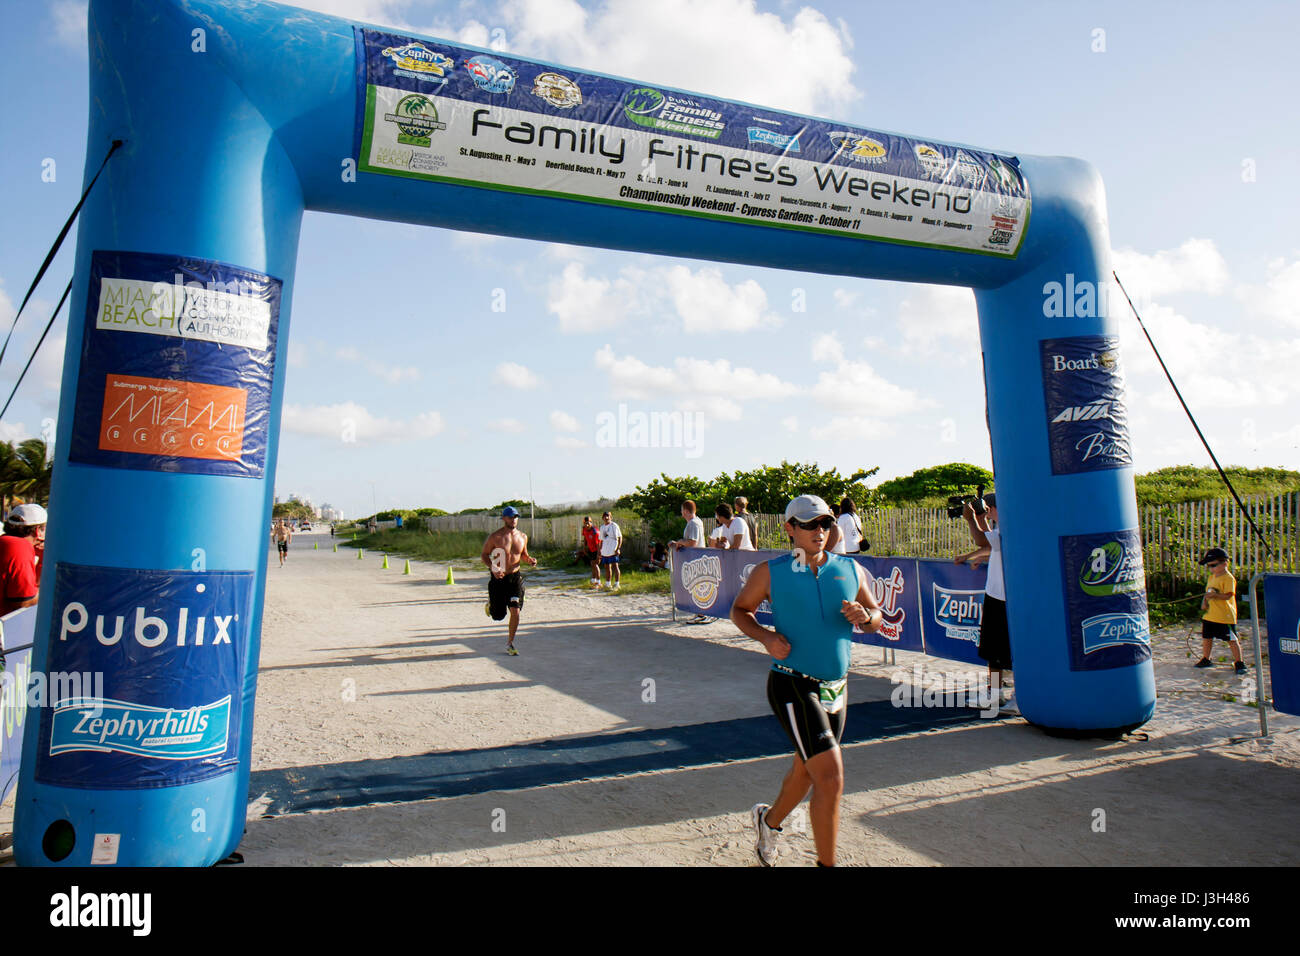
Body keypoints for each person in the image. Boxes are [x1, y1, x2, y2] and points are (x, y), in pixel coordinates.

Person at [731, 494, 885, 867]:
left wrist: (865, 617)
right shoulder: (771, 571)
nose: (820, 531)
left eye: (826, 523)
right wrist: (766, 637)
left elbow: (877, 617)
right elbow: (740, 610)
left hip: (838, 687)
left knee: (806, 771)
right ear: (790, 528)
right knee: (830, 776)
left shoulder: (849, 570)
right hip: (792, 683)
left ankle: (768, 822)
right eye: (810, 524)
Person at [954, 492, 1014, 713]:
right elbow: (991, 544)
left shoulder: (1010, 526)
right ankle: (994, 694)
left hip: (1006, 596)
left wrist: (970, 519)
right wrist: (976, 555)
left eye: (986, 508)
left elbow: (982, 540)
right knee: (992, 649)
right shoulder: (999, 528)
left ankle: (1018, 696)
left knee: (1010, 649)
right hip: (995, 594)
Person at [480, 505, 537, 655]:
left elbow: (523, 554)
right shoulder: (496, 537)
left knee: (515, 610)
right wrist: (493, 567)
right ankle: (492, 605)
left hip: (515, 578)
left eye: (516, 517)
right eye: (511, 517)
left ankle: (510, 643)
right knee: (498, 615)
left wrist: (530, 560)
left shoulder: (523, 536)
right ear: (504, 518)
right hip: (499, 578)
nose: (514, 520)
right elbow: (484, 555)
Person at [1194, 547, 1246, 674]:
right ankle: (1206, 658)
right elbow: (1208, 593)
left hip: (1224, 616)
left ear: (1224, 563)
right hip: (1210, 615)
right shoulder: (1212, 578)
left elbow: (1229, 595)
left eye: (1213, 565)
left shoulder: (1228, 578)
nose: (1211, 569)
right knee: (1206, 637)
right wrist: (1204, 602)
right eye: (1209, 566)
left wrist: (1215, 596)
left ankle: (1239, 662)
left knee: (1231, 640)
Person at [1, 503, 47, 616]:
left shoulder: (5, 542)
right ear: (38, 531)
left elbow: (28, 589)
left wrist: (42, 558)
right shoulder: (19, 547)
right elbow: (24, 602)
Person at [672, 501, 709, 624]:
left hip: (696, 559)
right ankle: (700, 613)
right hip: (695, 558)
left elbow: (692, 542)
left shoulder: (693, 523)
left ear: (686, 511)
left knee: (698, 587)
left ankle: (701, 614)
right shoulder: (695, 522)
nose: (681, 514)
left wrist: (679, 542)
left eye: (682, 511)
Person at [598, 510, 622, 590]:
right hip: (605, 550)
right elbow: (601, 540)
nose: (606, 517)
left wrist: (618, 548)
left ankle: (617, 584)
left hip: (613, 549)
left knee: (615, 566)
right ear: (602, 518)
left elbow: (620, 537)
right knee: (607, 567)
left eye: (608, 516)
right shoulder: (602, 527)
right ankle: (608, 583)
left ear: (611, 517)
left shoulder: (614, 526)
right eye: (605, 516)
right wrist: (599, 551)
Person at [580, 516, 602, 588]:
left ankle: (598, 582)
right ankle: (593, 580)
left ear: (591, 523)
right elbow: (585, 537)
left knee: (595, 564)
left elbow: (598, 544)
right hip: (590, 549)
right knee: (592, 564)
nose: (586, 525)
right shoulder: (584, 529)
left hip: (597, 549)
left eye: (588, 523)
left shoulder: (595, 531)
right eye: (585, 523)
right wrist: (584, 547)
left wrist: (599, 555)